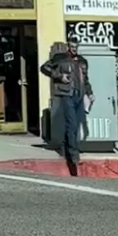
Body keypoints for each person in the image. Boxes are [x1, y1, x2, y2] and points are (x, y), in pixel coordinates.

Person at [39, 40, 91, 176]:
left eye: (76, 47)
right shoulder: (60, 58)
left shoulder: (82, 61)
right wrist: (59, 76)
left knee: (76, 125)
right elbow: (44, 68)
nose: (74, 49)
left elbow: (85, 80)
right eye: (72, 47)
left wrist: (90, 93)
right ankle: (73, 155)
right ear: (68, 47)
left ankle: (69, 149)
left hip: (79, 96)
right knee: (72, 124)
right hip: (66, 94)